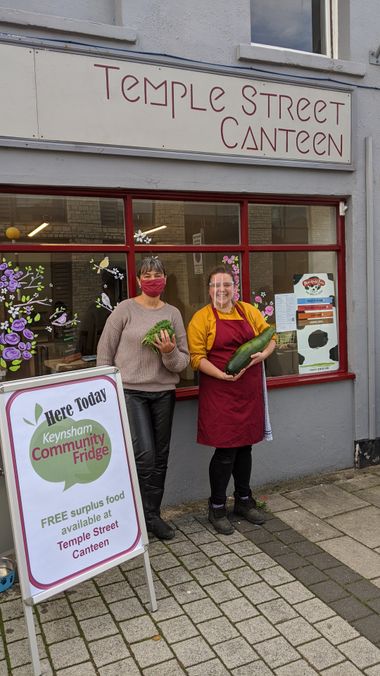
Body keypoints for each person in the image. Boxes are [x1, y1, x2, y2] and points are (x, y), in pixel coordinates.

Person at [97, 257, 190, 540]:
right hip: (130, 392)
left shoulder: (172, 313)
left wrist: (169, 350)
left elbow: (182, 362)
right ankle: (132, 515)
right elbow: (105, 351)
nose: (153, 279)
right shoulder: (125, 309)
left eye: (158, 274)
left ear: (164, 279)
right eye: (147, 275)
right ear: (138, 280)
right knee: (145, 456)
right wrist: (104, 391)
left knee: (160, 457)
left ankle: (152, 516)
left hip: (163, 393)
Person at [187, 265, 276, 535]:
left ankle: (244, 501)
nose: (222, 290)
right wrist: (222, 375)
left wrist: (263, 355)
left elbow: (270, 336)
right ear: (209, 290)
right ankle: (216, 506)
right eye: (216, 285)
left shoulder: (248, 311)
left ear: (235, 288)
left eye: (227, 285)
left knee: (246, 447)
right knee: (225, 452)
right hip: (219, 390)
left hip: (248, 390)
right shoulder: (201, 319)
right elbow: (196, 358)